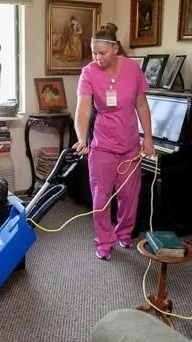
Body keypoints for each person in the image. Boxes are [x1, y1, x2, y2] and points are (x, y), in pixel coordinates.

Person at [73, 22, 154, 260]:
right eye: (94, 52)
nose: (97, 57)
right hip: (102, 146)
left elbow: (141, 104)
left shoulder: (132, 69)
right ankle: (104, 241)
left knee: (130, 195)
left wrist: (147, 137)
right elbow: (82, 110)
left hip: (130, 145)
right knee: (101, 195)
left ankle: (124, 233)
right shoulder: (88, 72)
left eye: (102, 52)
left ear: (116, 48)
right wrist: (81, 138)